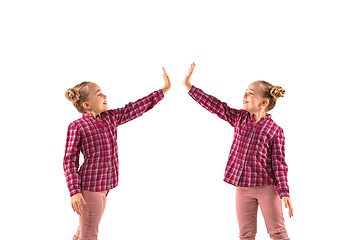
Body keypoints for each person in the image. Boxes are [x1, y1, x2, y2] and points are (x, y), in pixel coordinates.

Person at [182, 63, 293, 240]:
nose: (245, 95)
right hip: (243, 188)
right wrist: (190, 87)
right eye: (245, 91)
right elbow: (216, 106)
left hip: (268, 188)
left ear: (264, 102)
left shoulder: (275, 130)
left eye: (251, 93)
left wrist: (284, 192)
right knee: (245, 235)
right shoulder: (239, 118)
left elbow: (279, 164)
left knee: (277, 232)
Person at [63, 67, 171, 240]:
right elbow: (69, 161)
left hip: (105, 187)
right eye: (99, 94)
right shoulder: (77, 126)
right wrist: (74, 191)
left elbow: (136, 107)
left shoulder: (111, 117)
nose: (105, 96)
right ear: (87, 105)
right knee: (89, 235)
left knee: (82, 232)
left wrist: (163, 90)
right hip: (90, 189)